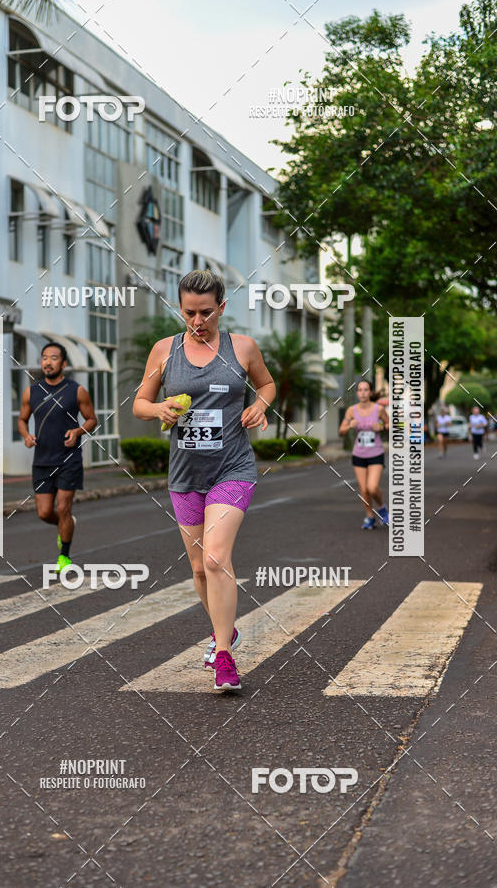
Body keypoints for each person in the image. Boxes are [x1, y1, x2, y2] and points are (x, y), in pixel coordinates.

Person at [133, 270, 276, 691]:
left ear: (222, 308)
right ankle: (223, 628)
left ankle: (225, 658)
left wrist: (260, 405)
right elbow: (139, 402)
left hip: (232, 467)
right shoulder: (164, 350)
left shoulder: (243, 348)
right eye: (189, 312)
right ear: (180, 308)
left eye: (206, 312)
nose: (197, 321)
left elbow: (267, 384)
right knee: (198, 568)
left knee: (215, 558)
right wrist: (157, 409)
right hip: (185, 474)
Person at [18, 342, 97, 573]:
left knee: (63, 507)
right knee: (44, 513)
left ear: (63, 364)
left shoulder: (76, 390)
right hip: (42, 460)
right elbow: (22, 419)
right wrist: (25, 435)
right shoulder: (31, 392)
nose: (47, 362)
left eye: (53, 358)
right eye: (44, 358)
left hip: (68, 459)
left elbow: (91, 419)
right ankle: (66, 525)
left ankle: (64, 556)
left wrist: (77, 431)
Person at [339, 379, 389, 529]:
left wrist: (380, 426)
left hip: (375, 453)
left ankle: (382, 508)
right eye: (360, 390)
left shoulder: (378, 409)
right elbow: (341, 431)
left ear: (371, 392)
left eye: (366, 389)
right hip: (359, 454)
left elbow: (390, 424)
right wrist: (349, 427)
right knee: (364, 489)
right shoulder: (351, 411)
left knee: (372, 487)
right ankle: (369, 517)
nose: (363, 393)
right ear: (357, 393)